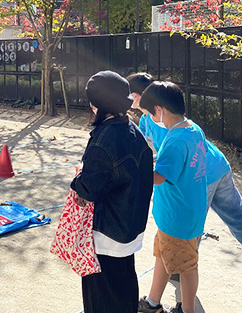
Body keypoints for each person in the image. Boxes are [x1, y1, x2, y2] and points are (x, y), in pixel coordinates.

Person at [128, 73, 242, 287]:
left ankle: (182, 265)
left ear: (138, 97)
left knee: (188, 220)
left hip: (198, 174)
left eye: (130, 95)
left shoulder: (158, 120)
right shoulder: (167, 117)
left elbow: (172, 159)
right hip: (216, 165)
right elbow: (167, 155)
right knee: (237, 217)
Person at [70, 71, 154, 313]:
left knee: (101, 297)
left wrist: (79, 174)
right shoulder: (133, 130)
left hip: (106, 232)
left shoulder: (103, 139)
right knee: (124, 287)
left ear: (95, 105)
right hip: (130, 227)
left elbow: (88, 188)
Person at [137, 82, 207, 313]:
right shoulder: (193, 129)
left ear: (159, 109)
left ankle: (187, 310)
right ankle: (153, 302)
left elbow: (159, 177)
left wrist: (135, 169)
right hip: (186, 212)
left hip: (177, 217)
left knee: (186, 267)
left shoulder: (175, 140)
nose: (149, 117)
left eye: (149, 113)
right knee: (164, 256)